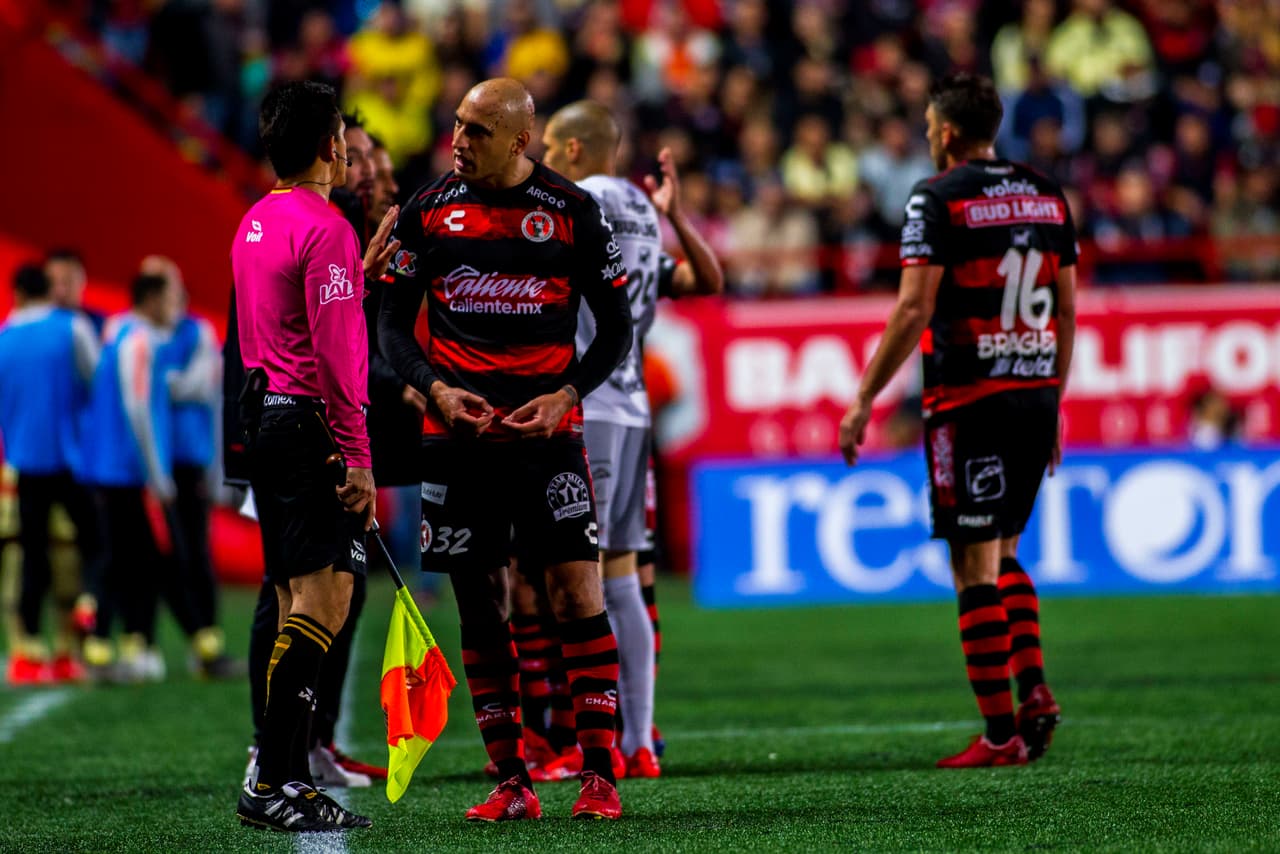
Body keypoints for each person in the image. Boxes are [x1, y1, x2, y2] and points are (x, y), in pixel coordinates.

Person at [379, 78, 633, 821]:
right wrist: (433, 389)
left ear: (521, 141)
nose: (459, 139)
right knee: (480, 607)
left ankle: (598, 775)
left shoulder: (574, 213)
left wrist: (567, 395)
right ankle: (512, 780)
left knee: (575, 597)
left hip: (548, 439)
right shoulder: (428, 211)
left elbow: (615, 329)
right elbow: (393, 327)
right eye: (457, 124)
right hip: (456, 439)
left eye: (478, 130)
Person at [839, 73, 1075, 768]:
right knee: (1005, 552)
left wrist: (862, 400)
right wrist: (1054, 394)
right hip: (1034, 391)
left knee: (972, 565)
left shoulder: (936, 196)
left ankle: (1002, 737)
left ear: (943, 133)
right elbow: (1065, 308)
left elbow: (913, 309)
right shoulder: (1046, 191)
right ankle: (1033, 692)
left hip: (969, 398)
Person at [539, 101, 724, 778]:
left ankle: (592, 744)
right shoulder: (645, 211)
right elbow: (706, 280)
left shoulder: (578, 200)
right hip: (633, 406)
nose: (545, 160)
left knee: (578, 584)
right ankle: (638, 740)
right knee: (617, 580)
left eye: (553, 148)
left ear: (579, 151)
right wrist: (676, 213)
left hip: (589, 407)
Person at [230, 80, 389, 833]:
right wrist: (358, 456)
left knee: (298, 602)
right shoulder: (326, 228)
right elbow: (335, 354)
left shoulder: (255, 222)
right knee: (325, 602)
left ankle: (278, 776)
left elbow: (284, 322)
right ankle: (278, 778)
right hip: (309, 428)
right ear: (333, 145)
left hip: (265, 421)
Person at [138, 255, 241, 679]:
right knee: (158, 555)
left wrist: (160, 382)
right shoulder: (144, 334)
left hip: (188, 461)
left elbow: (199, 386)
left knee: (195, 552)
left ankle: (206, 640)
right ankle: (165, 639)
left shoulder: (195, 332)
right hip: (150, 463)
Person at [78, 271, 182, 682]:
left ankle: (116, 642)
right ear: (153, 300)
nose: (175, 308)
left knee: (121, 558)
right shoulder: (139, 341)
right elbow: (138, 407)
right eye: (171, 299)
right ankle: (118, 641)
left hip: (108, 467)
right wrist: (157, 474)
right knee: (136, 560)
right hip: (125, 471)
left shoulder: (115, 332)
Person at [0, 265, 101, 684]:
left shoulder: (6, 335)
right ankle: (87, 612)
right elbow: (94, 379)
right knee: (95, 542)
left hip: (24, 459)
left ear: (19, 293)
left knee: (31, 556)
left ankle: (30, 652)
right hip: (69, 457)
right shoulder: (72, 327)